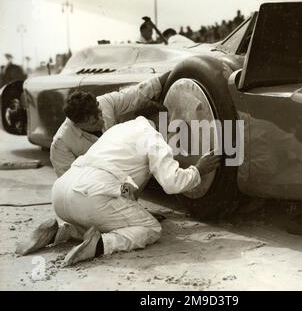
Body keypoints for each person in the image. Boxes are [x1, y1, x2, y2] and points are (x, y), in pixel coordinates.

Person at [16, 102, 222, 266]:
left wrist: (132, 208)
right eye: (168, 124)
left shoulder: (117, 131)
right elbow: (172, 183)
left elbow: (120, 179)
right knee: (150, 228)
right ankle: (100, 246)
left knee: (102, 218)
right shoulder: (152, 135)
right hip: (91, 195)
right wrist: (199, 170)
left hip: (62, 193)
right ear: (159, 120)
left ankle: (63, 231)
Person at [50, 72, 170, 177]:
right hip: (93, 183)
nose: (102, 122)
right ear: (77, 124)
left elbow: (139, 92)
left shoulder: (105, 102)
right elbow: (68, 182)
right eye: (94, 122)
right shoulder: (61, 144)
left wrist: (178, 70)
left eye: (100, 114)